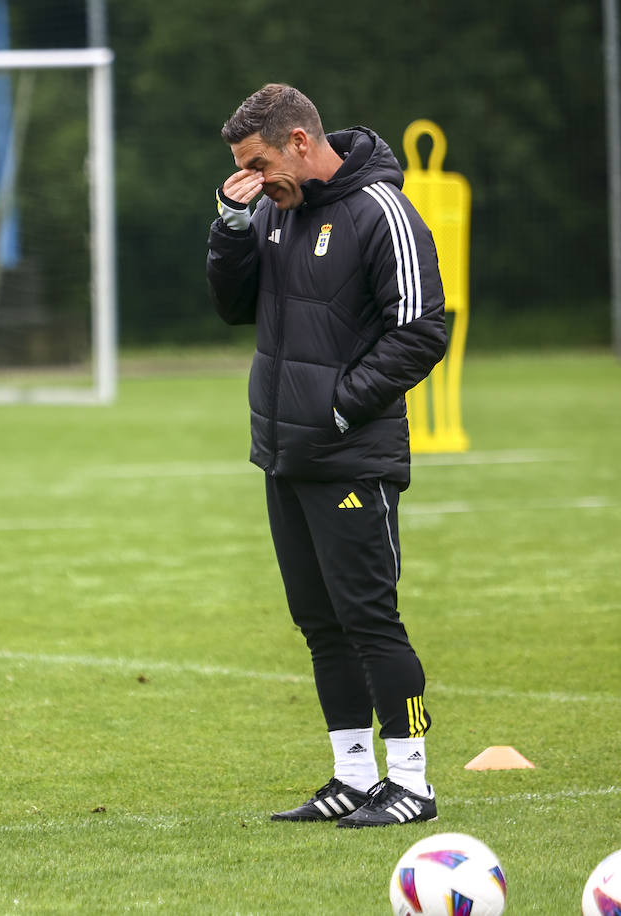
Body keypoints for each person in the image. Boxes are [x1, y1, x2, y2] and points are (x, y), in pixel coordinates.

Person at [206, 84, 448, 828]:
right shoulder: (276, 212)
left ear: (302, 143)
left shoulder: (383, 212)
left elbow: (423, 329)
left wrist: (340, 406)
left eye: (259, 163)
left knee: (369, 619)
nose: (254, 177)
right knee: (318, 622)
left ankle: (411, 782)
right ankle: (352, 776)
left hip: (352, 455)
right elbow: (233, 306)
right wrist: (229, 222)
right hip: (286, 455)